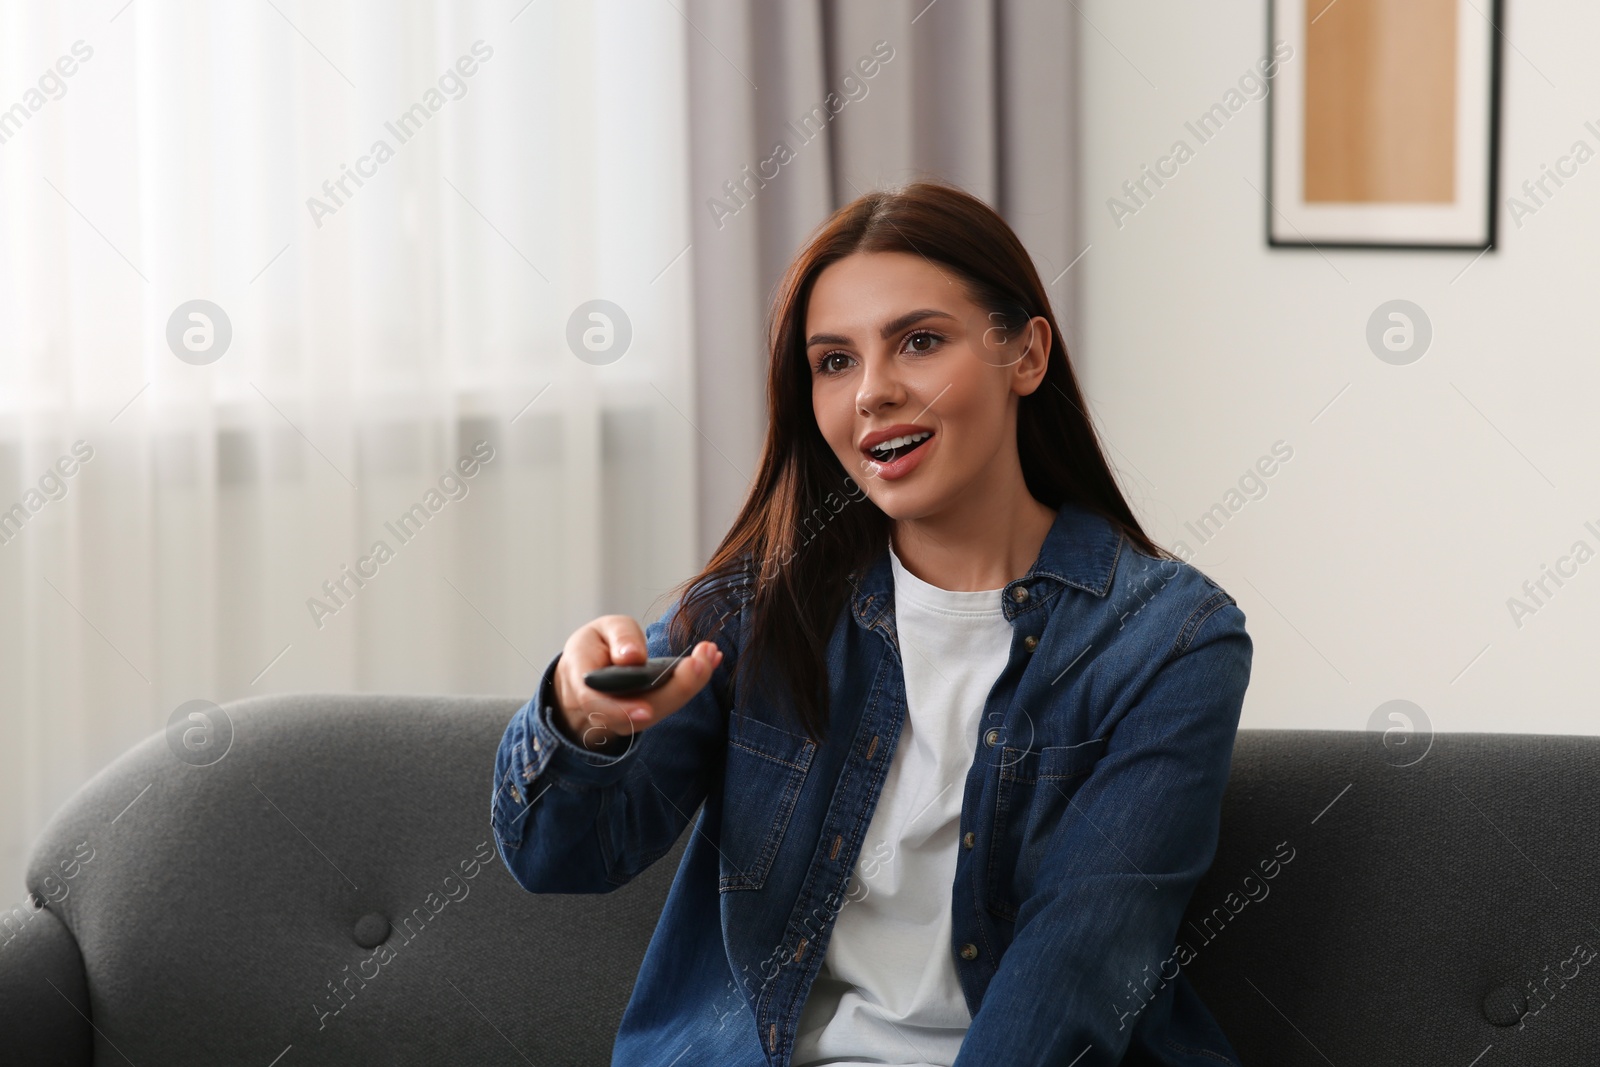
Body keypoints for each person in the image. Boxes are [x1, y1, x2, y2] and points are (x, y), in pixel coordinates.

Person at [491, 179, 1253, 1067]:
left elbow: (1074, 975)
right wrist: (577, 720)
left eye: (919, 342)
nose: (872, 394)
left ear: (1027, 354)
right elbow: (558, 856)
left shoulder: (1168, 640)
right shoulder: (756, 608)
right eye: (834, 361)